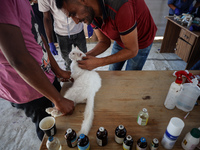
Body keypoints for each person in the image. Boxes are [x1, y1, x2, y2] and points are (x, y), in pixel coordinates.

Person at [0, 0, 74, 141]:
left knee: (63, 120)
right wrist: (57, 99)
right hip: (29, 88)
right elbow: (18, 59)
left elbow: (38, 35)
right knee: (49, 128)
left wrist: (57, 70)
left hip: (46, 74)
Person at [55, 0, 157, 71]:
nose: (76, 21)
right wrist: (86, 57)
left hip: (141, 41)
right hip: (121, 37)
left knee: (130, 77)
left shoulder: (120, 6)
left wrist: (99, 62)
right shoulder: (89, 12)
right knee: (113, 71)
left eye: (73, 13)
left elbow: (132, 50)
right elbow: (104, 41)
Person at [38, 0, 87, 70]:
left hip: (78, 29)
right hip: (61, 32)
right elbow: (47, 18)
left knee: (83, 57)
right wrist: (50, 42)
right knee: (68, 60)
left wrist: (88, 24)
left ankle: (84, 74)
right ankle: (70, 75)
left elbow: (84, 5)